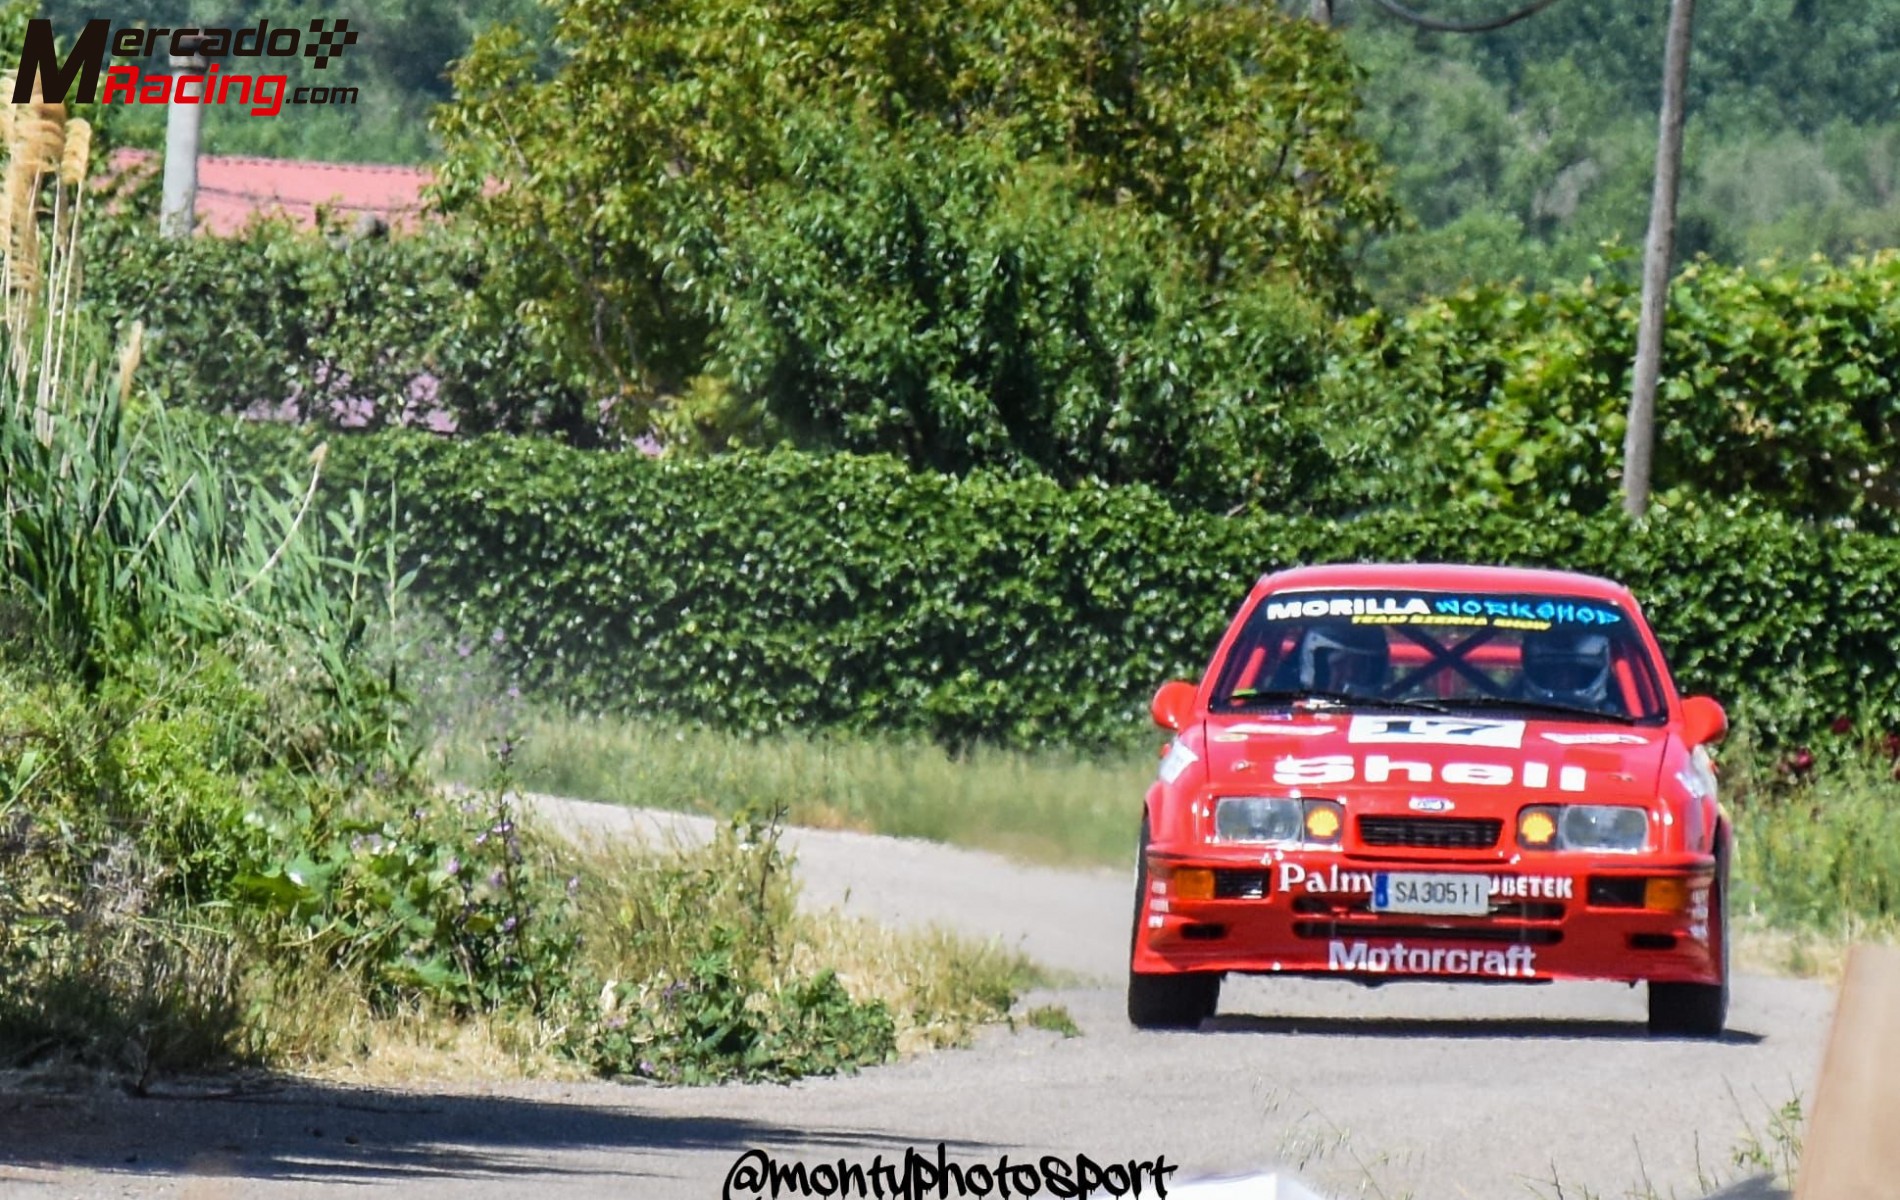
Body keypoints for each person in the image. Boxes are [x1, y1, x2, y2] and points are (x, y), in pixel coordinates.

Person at [1521, 628, 1614, 708]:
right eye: (1555, 671)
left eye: (1572, 671)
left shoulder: (1618, 716)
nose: (1564, 680)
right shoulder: (1511, 705)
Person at [1297, 623, 1389, 696]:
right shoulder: (1288, 712)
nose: (1350, 673)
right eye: (1340, 664)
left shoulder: (1394, 714)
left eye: (1360, 666)